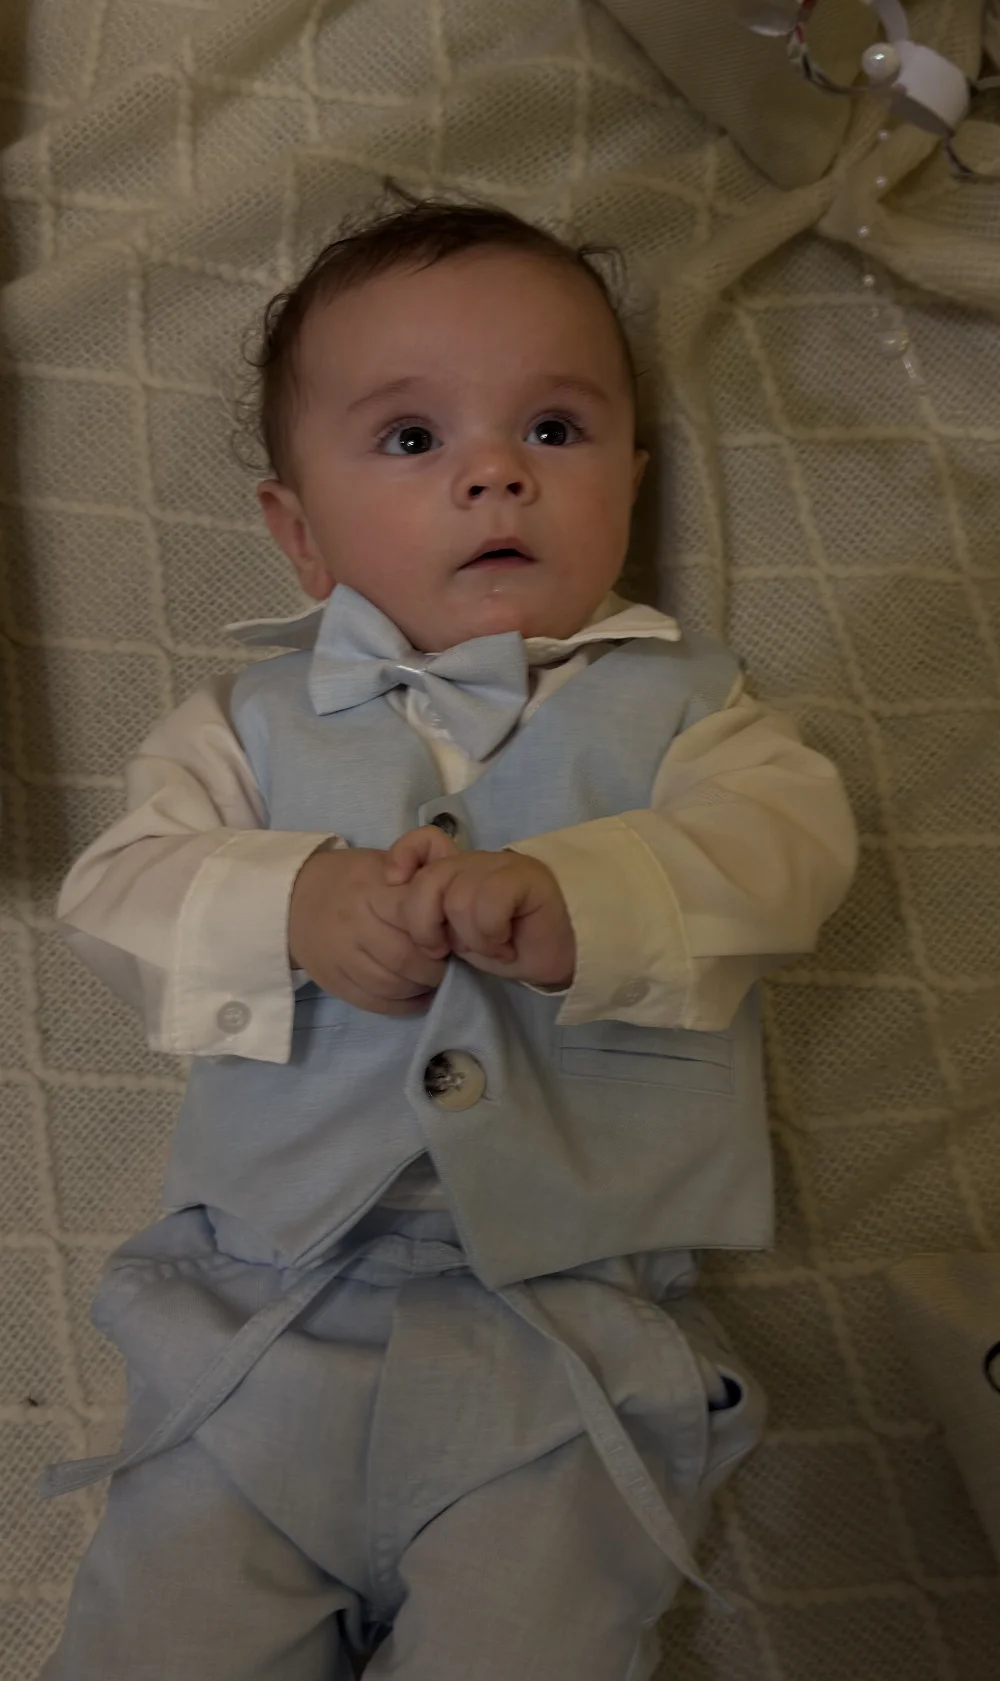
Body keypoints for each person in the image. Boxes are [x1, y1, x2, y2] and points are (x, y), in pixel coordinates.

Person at [41, 195, 857, 1681]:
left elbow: (788, 853)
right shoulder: (245, 725)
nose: (495, 472)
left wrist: (588, 898)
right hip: (257, 1325)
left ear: (631, 483)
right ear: (300, 536)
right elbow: (116, 890)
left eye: (555, 429)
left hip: (566, 1348)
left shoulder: (695, 712)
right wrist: (297, 902)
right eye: (413, 438)